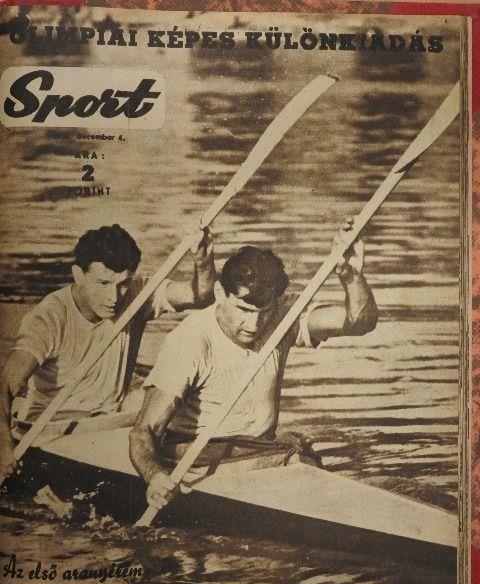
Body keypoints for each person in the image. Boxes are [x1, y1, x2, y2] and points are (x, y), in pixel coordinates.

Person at [129, 218, 378, 510]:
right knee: (298, 459)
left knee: (302, 453)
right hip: (198, 459)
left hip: (262, 452)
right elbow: (143, 431)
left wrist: (351, 276)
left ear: (277, 302)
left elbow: (360, 323)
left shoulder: (282, 318)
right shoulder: (191, 340)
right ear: (220, 294)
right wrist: (155, 476)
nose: (254, 324)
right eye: (244, 310)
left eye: (264, 312)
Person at [0, 223, 216, 479]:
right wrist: (3, 447)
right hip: (52, 429)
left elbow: (200, 296)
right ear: (78, 275)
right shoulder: (50, 317)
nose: (114, 297)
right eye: (102, 283)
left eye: (122, 283)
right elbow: (6, 386)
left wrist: (202, 260)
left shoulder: (137, 294)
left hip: (111, 422)